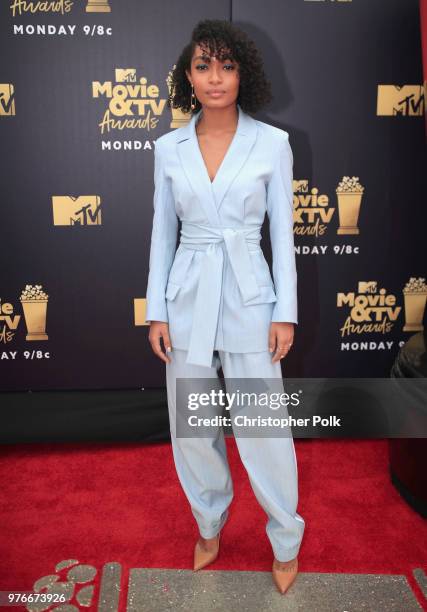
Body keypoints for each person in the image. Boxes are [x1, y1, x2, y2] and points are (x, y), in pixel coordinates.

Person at [145, 19, 305, 595]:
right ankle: (209, 523)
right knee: (193, 427)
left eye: (227, 66)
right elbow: (163, 232)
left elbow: (282, 238)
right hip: (186, 298)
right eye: (203, 66)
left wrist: (284, 311)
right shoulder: (168, 148)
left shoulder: (273, 144)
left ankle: (285, 537)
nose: (215, 78)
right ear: (188, 75)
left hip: (249, 297)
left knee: (262, 426)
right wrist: (157, 312)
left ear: (244, 74)